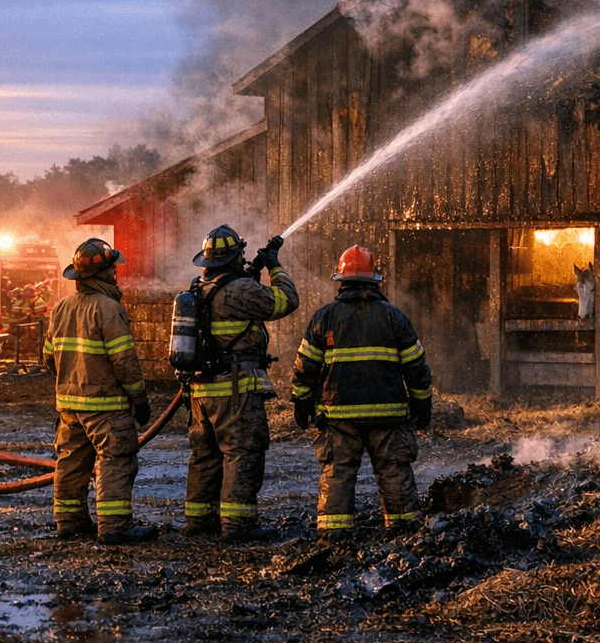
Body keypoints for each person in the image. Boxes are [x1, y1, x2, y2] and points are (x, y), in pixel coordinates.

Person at [291, 244, 431, 541]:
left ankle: (334, 535)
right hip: (389, 416)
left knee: (337, 473)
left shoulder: (324, 317)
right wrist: (422, 407)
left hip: (338, 416)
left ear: (341, 281)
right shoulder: (394, 317)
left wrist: (301, 404)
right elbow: (416, 368)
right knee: (394, 470)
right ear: (374, 280)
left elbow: (305, 368)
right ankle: (404, 532)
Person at [182, 224, 299, 543]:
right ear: (234, 258)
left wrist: (251, 275)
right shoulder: (241, 291)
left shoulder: (197, 289)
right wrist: (274, 265)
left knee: (205, 456)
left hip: (201, 391)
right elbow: (286, 300)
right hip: (235, 390)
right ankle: (238, 525)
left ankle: (199, 521)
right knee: (242, 451)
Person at [43, 238, 155, 544]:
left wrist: (70, 379)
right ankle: (115, 526)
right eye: (112, 270)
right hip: (105, 406)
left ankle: (69, 521)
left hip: (69, 407)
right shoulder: (109, 308)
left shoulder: (61, 308)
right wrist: (141, 401)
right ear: (103, 274)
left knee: (71, 462)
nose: (115, 275)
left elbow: (48, 357)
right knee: (116, 460)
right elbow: (125, 363)